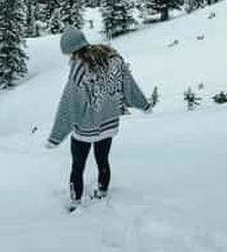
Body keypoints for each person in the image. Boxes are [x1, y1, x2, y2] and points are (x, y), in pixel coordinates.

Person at [47, 26, 153, 209]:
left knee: (78, 166)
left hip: (87, 128)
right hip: (109, 123)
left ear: (71, 50)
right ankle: (102, 191)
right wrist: (143, 103)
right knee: (102, 160)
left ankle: (75, 201)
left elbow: (70, 103)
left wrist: (56, 136)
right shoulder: (113, 59)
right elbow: (128, 84)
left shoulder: (80, 68)